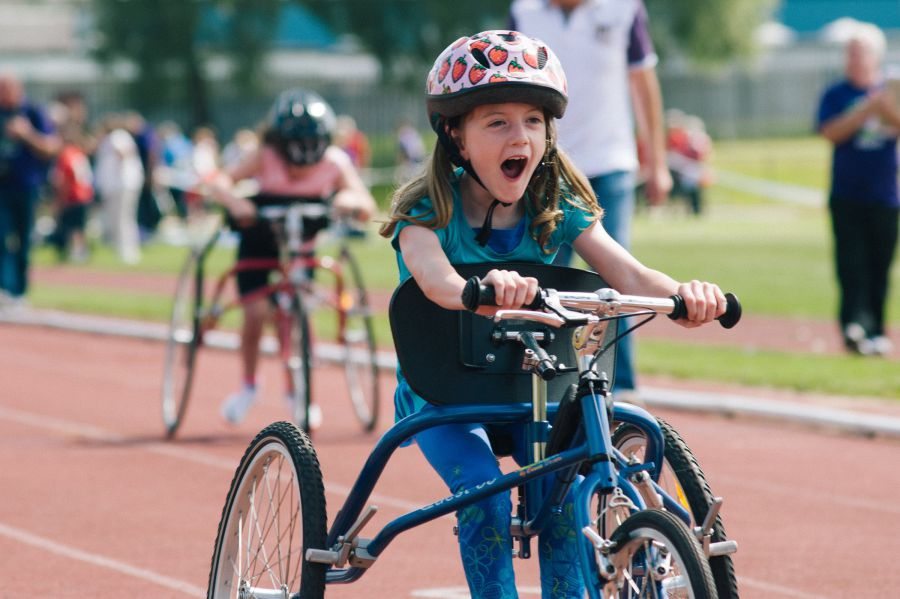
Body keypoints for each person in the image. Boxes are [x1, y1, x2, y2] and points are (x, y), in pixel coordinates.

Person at [378, 30, 728, 598]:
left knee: (565, 497)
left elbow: (631, 276)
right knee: (486, 494)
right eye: (497, 122)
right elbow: (437, 282)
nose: (521, 136)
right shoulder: (427, 212)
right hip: (442, 391)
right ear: (456, 136)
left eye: (534, 121)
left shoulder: (558, 207)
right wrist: (483, 287)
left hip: (536, 385)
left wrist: (685, 296)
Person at [509, 0, 672, 397]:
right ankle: (537, 383)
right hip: (544, 166)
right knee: (542, 274)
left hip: (608, 160)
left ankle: (622, 387)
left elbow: (643, 82)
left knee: (615, 275)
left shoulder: (623, 9)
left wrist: (658, 162)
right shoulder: (525, 11)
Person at [209, 89, 376, 427]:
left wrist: (348, 200)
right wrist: (236, 202)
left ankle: (297, 391)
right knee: (256, 313)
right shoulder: (265, 155)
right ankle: (249, 386)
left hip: (302, 239)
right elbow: (220, 181)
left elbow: (365, 203)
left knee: (295, 312)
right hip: (259, 236)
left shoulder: (335, 161)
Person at [816, 22, 899, 357]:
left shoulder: (890, 92)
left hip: (886, 194)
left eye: (859, 52)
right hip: (847, 193)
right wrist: (866, 108)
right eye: (849, 52)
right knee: (851, 264)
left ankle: (877, 330)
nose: (853, 59)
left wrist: (884, 104)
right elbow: (830, 132)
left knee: (881, 263)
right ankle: (853, 326)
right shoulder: (836, 94)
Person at [0, 71, 61, 304]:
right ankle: (4, 288)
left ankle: (19, 291)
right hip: (1, 187)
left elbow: (52, 147)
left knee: (23, 240)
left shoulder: (33, 112)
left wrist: (27, 134)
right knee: (1, 237)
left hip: (26, 186)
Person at [94, 113, 145, 265]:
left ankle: (127, 251)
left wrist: (119, 171)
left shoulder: (116, 136)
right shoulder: (115, 137)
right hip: (119, 185)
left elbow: (122, 153)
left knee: (123, 218)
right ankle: (123, 249)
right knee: (120, 218)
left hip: (121, 184)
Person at [50, 121, 94, 262]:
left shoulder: (66, 154)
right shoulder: (78, 152)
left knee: (72, 226)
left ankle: (77, 251)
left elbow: (65, 179)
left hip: (74, 194)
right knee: (79, 225)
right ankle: (81, 250)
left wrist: (61, 198)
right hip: (84, 193)